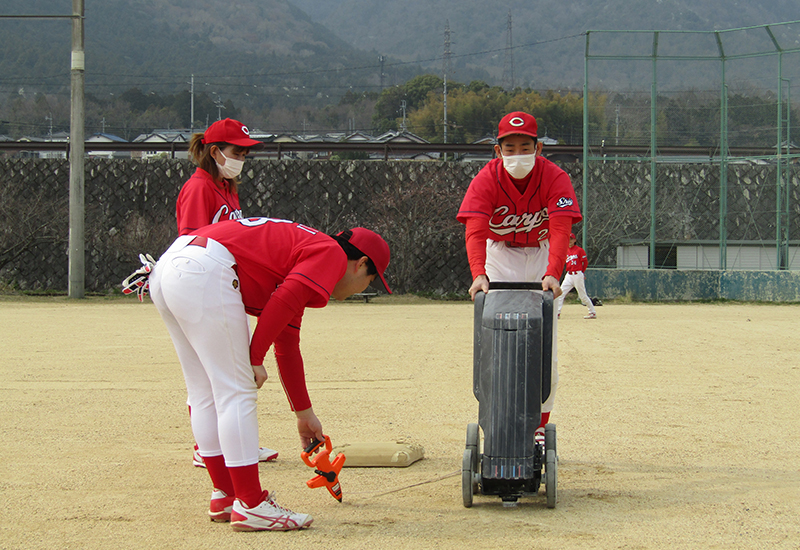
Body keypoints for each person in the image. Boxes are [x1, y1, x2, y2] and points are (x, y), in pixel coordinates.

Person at [148, 217, 390, 531]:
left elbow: (287, 344)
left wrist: (304, 414)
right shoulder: (330, 253)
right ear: (361, 264)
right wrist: (253, 357)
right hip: (203, 269)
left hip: (170, 267)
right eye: (370, 281)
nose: (363, 289)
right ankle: (251, 504)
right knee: (236, 390)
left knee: (204, 391)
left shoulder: (306, 255)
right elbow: (284, 299)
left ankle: (226, 495)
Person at [456, 111, 582, 443]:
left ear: (538, 148)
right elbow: (475, 230)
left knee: (545, 345)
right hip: (499, 255)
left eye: (525, 147)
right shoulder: (486, 178)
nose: (517, 154)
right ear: (497, 151)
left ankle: (539, 425)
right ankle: (495, 417)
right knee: (494, 335)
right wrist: (479, 274)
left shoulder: (554, 176)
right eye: (509, 148)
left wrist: (553, 273)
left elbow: (560, 229)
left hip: (541, 254)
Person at [178, 118, 279, 467]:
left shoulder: (227, 186)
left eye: (245, 154)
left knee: (229, 371)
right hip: (203, 285)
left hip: (223, 283)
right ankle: (207, 447)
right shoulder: (199, 188)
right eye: (237, 152)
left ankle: (236, 444)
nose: (241, 159)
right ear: (214, 151)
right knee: (213, 375)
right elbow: (190, 242)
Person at [555, 233, 597, 319]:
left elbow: (585, 262)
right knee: (560, 293)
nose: (570, 241)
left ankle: (592, 312)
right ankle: (557, 313)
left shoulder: (579, 250)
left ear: (575, 240)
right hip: (569, 275)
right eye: (568, 239)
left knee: (582, 296)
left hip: (577, 274)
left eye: (571, 239)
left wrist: (582, 272)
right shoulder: (565, 250)